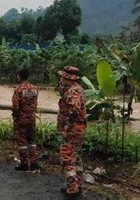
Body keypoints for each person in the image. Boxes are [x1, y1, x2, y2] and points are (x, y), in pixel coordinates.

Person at [57, 66, 87, 199]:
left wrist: (66, 128)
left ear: (67, 78)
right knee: (76, 157)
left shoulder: (72, 92)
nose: (61, 79)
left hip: (72, 130)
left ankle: (72, 188)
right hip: (79, 129)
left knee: (67, 158)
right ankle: (77, 185)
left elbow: (73, 111)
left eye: (62, 77)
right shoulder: (78, 89)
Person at [11, 69, 39, 171]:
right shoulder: (34, 88)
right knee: (32, 140)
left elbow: (15, 106)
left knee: (22, 141)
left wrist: (16, 116)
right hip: (31, 117)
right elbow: (35, 104)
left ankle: (24, 163)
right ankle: (34, 162)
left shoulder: (18, 89)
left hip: (21, 119)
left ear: (19, 76)